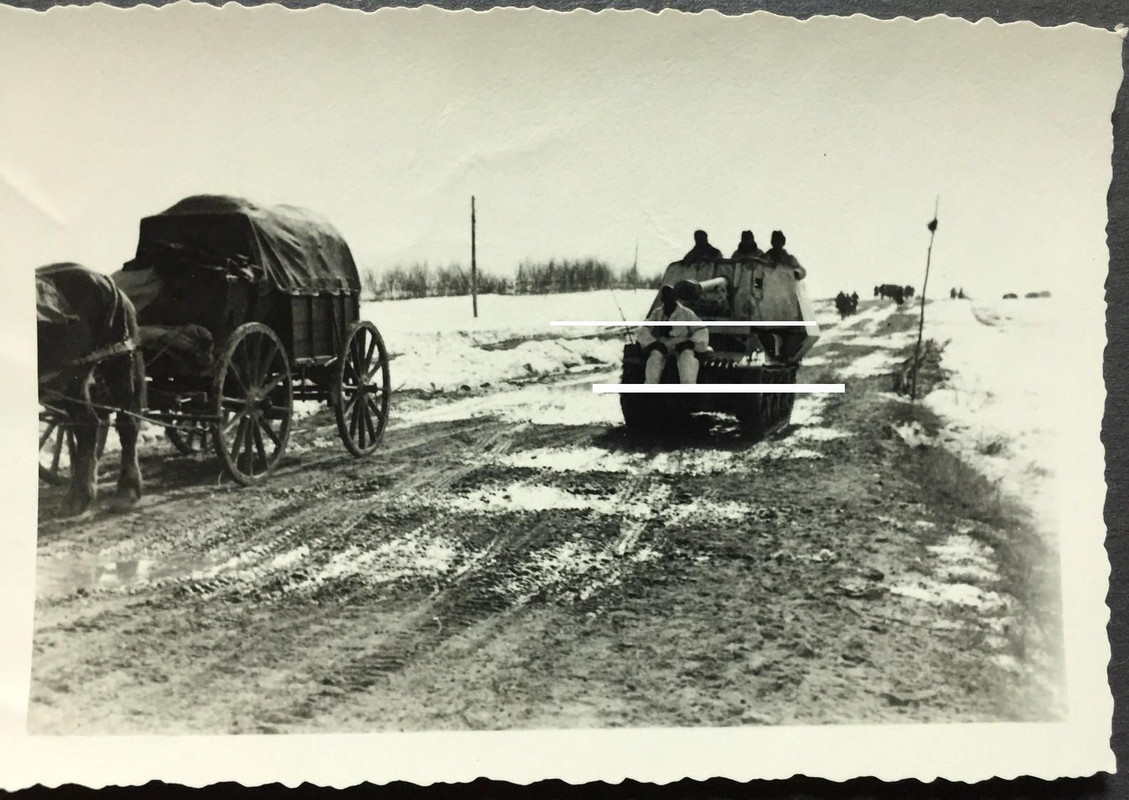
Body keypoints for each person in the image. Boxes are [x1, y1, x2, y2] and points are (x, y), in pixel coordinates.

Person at [636, 283, 711, 384]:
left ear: (675, 299)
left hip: (682, 346)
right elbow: (644, 329)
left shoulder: (686, 313)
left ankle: (688, 392)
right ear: (662, 300)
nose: (669, 302)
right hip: (663, 345)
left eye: (671, 299)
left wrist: (691, 342)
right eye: (666, 299)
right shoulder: (657, 313)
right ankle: (650, 391)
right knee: (653, 361)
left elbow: (701, 329)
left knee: (687, 363)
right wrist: (653, 343)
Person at [757, 231, 807, 360]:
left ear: (783, 242)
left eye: (779, 241)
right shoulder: (765, 258)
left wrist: (795, 273)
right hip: (768, 298)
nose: (777, 243)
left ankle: (783, 355)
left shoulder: (789, 259)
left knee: (786, 330)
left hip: (785, 299)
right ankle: (772, 355)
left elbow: (801, 271)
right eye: (775, 241)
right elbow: (757, 275)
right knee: (767, 330)